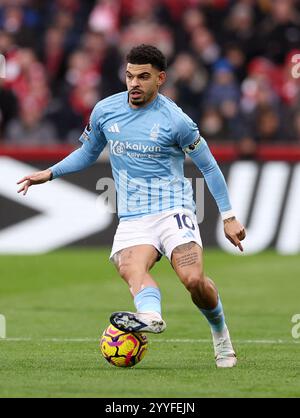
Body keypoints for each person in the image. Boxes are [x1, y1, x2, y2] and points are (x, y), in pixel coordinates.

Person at [17, 44, 246, 368]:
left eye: (143, 76)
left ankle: (221, 336)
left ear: (160, 78)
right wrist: (50, 172)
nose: (134, 83)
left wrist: (229, 216)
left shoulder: (176, 120)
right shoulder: (106, 111)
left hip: (173, 209)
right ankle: (150, 316)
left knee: (193, 280)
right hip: (134, 216)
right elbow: (88, 152)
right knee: (130, 268)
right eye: (129, 75)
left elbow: (208, 166)